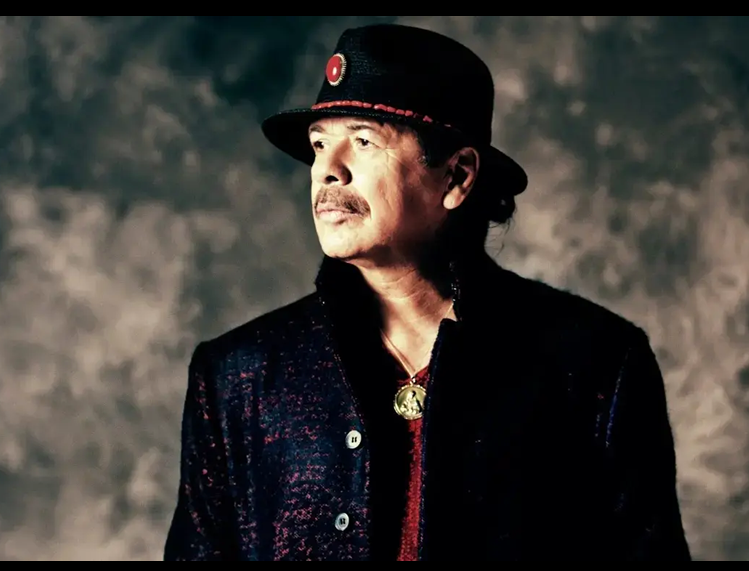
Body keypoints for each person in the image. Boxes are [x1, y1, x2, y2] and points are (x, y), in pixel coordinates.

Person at [163, 23, 692, 561]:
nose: (327, 171)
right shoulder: (238, 377)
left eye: (363, 141)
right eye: (320, 144)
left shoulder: (595, 364)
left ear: (456, 176)